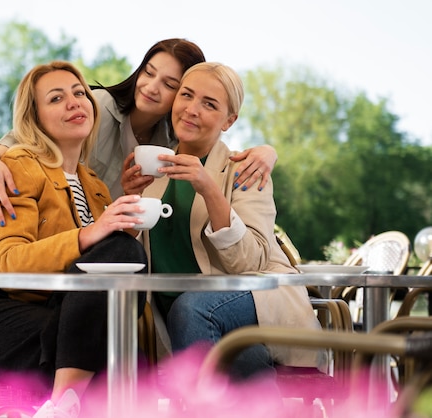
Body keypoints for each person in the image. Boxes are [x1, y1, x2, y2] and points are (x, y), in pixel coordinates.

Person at [0, 61, 149, 418]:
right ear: (34, 117)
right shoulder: (17, 165)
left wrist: (125, 218)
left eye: (80, 93)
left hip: (47, 314)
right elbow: (6, 262)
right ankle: (63, 406)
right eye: (56, 98)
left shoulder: (94, 185)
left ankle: (61, 405)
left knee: (119, 337)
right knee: (113, 354)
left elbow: (93, 276)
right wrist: (91, 233)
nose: (74, 102)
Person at [122, 62, 325, 380]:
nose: (191, 109)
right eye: (186, 96)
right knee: (239, 353)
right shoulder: (154, 170)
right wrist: (129, 205)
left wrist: (209, 189)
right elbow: (130, 255)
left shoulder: (245, 170)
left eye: (209, 104)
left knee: (193, 309)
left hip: (257, 296)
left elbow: (251, 262)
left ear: (229, 120)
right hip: (182, 316)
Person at [0, 38, 279, 227]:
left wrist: (268, 152)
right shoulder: (95, 105)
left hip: (109, 240)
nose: (151, 87)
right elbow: (24, 134)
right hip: (54, 227)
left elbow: (217, 148)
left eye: (170, 85)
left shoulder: (173, 145)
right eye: (149, 73)